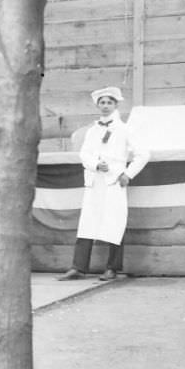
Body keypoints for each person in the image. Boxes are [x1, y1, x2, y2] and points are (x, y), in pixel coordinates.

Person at [58, 86, 149, 281]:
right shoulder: (92, 131)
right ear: (97, 105)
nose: (105, 106)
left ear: (116, 105)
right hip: (94, 180)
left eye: (109, 102)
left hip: (114, 181)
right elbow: (85, 154)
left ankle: (112, 268)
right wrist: (96, 164)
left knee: (114, 221)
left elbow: (143, 154)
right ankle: (79, 267)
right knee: (87, 222)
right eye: (102, 103)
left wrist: (128, 174)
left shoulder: (125, 129)